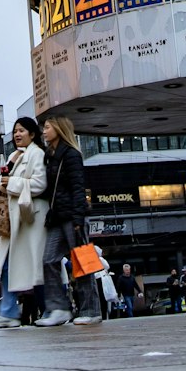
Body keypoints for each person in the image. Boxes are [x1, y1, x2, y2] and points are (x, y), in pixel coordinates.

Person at [37, 115, 104, 326]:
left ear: (59, 128)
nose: (44, 131)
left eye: (47, 127)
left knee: (82, 262)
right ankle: (59, 308)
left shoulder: (71, 154)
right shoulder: (50, 155)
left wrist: (78, 218)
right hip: (57, 216)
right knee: (48, 259)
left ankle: (91, 310)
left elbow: (78, 187)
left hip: (72, 216)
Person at [0, 117, 48, 329]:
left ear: (32, 133)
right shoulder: (14, 156)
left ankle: (49, 308)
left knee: (33, 266)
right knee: (12, 265)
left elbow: (39, 183)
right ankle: (10, 311)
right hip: (16, 220)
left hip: (30, 218)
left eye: (21, 130)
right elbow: (7, 182)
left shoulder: (37, 154)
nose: (17, 135)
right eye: (15, 131)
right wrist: (4, 184)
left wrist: (10, 183)